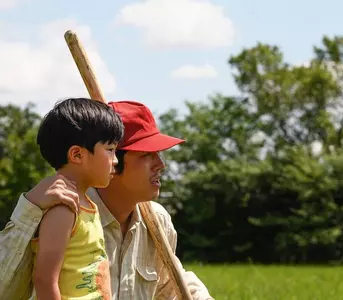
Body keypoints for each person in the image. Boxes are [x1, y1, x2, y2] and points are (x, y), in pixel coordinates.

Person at [0, 100, 214, 300]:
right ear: (115, 160)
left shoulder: (157, 220)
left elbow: (170, 285)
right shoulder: (62, 208)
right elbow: (9, 289)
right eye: (146, 155)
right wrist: (29, 208)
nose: (161, 164)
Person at [31, 98, 124, 299]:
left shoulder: (88, 205)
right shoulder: (63, 209)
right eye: (110, 150)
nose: (116, 160)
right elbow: (45, 281)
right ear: (77, 154)